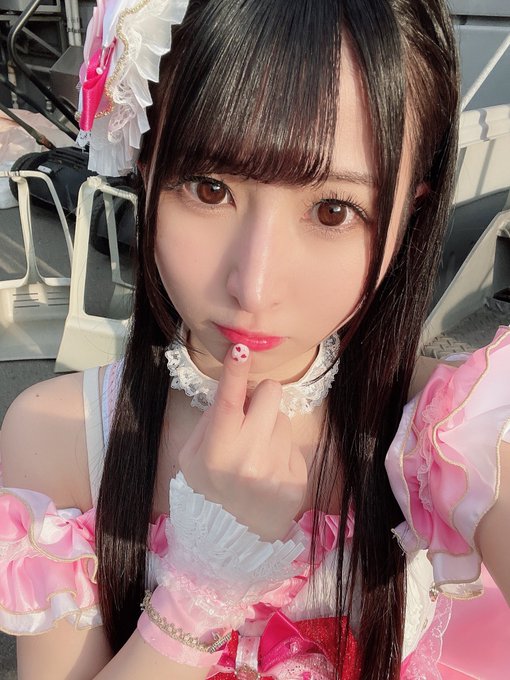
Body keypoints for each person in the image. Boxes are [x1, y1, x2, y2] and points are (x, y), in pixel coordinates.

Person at [0, 0, 509, 678]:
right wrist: (197, 594)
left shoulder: (456, 433)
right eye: (210, 189)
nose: (255, 285)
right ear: (145, 169)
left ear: (408, 213)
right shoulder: (62, 439)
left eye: (333, 210)